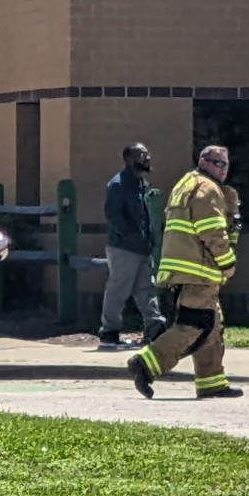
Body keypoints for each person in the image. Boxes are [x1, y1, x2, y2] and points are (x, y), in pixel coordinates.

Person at [126, 145, 243, 400]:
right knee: (194, 324)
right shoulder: (207, 189)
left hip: (184, 270)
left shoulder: (186, 183)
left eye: (226, 164)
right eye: (217, 163)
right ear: (204, 162)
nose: (223, 169)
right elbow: (212, 231)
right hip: (198, 271)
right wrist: (227, 262)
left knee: (211, 325)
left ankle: (211, 382)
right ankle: (146, 363)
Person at [97, 142, 167, 350]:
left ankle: (155, 329)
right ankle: (109, 333)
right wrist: (131, 237)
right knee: (118, 290)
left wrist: (148, 239)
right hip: (123, 248)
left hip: (143, 248)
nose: (147, 158)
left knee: (147, 289)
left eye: (147, 154)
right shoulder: (118, 184)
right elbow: (112, 215)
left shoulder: (141, 184)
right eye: (142, 155)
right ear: (129, 160)